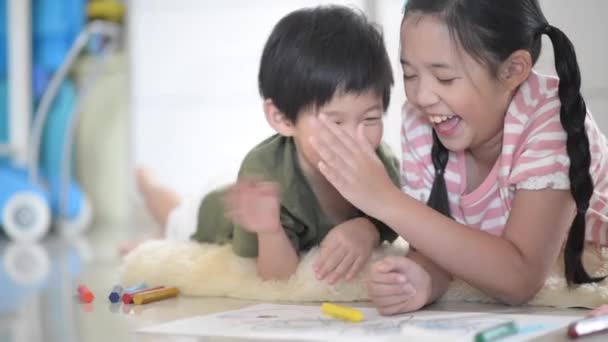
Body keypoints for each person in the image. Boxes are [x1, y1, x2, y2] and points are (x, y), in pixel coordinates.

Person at [310, 0, 608, 315]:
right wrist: (422, 280)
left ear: (512, 70)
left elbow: (520, 277)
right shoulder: (420, 121)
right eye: (410, 74)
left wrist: (385, 200)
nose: (422, 96)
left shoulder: (551, 119)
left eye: (445, 78)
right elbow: (438, 245)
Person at [127, 5, 401, 283]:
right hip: (225, 208)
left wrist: (367, 229)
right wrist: (270, 230)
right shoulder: (264, 173)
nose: (355, 139)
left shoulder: (381, 162)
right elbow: (276, 279)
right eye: (335, 123)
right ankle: (147, 183)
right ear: (282, 118)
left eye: (370, 119)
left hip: (262, 179)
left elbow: (394, 219)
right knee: (176, 217)